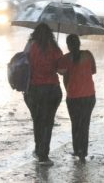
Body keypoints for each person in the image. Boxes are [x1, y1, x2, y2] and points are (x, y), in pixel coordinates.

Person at [23, 23, 63, 166]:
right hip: (52, 90)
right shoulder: (54, 48)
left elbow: (23, 63)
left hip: (33, 90)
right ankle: (44, 154)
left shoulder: (30, 46)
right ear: (50, 34)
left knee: (37, 120)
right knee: (48, 122)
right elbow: (61, 69)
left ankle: (38, 149)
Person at [58, 34, 96, 163]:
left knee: (76, 124)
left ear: (68, 45)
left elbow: (60, 71)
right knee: (85, 124)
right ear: (79, 43)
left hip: (73, 96)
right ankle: (83, 152)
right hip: (89, 95)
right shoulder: (88, 55)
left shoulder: (65, 58)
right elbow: (93, 71)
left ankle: (77, 149)